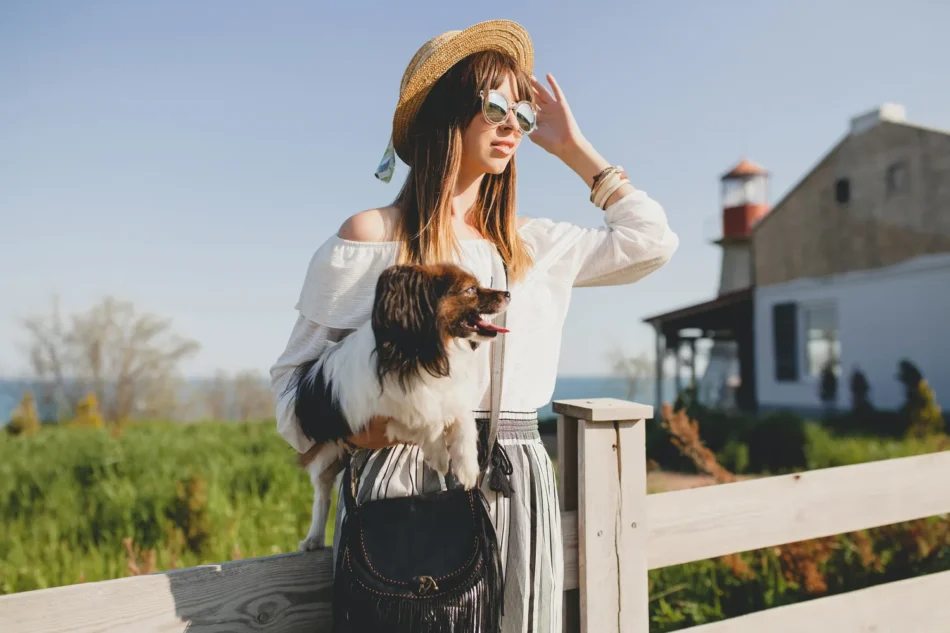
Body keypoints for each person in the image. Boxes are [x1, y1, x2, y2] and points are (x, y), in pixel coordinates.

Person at [269, 19, 678, 633]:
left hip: (519, 485)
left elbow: (651, 243)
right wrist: (369, 434)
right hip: (401, 487)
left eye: (524, 112)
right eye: (494, 106)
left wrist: (573, 148)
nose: (513, 123)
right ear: (445, 113)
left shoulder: (531, 247)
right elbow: (291, 388)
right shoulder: (370, 238)